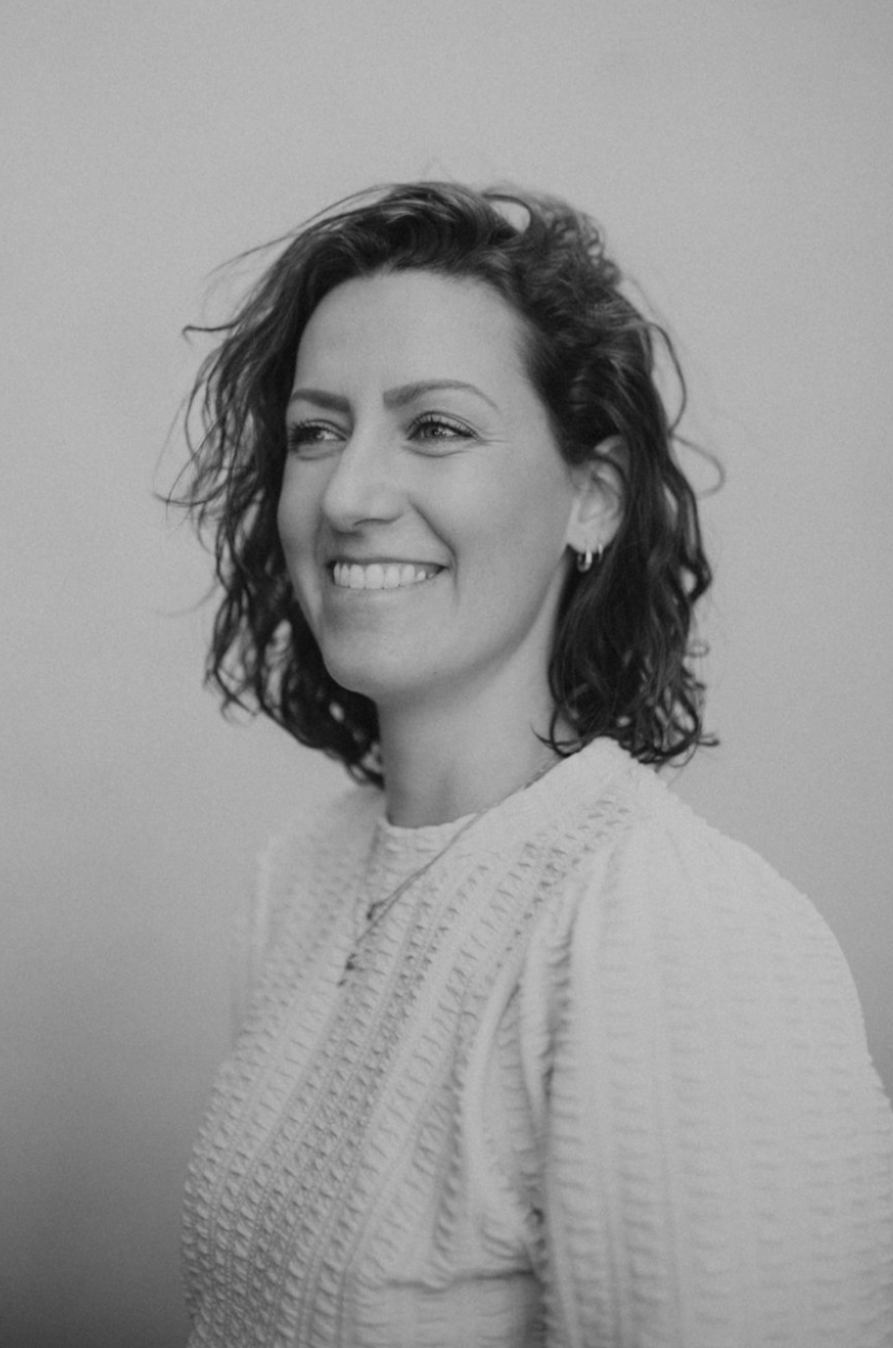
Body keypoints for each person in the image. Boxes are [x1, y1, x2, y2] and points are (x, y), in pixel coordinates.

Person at [174, 181, 893, 1347]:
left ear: (591, 499)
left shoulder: (672, 929)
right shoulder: (298, 879)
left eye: (437, 427)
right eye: (316, 431)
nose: (348, 496)